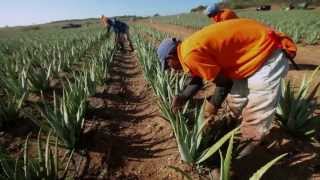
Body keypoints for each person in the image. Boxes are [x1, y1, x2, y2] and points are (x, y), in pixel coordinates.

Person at [157, 19, 297, 158]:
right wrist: (182, 97)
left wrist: (211, 109)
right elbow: (197, 80)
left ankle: (249, 142)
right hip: (249, 54)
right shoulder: (186, 49)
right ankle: (228, 125)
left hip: (267, 49)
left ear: (171, 56)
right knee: (236, 96)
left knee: (259, 100)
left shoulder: (189, 55)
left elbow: (224, 83)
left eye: (168, 65)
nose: (171, 70)